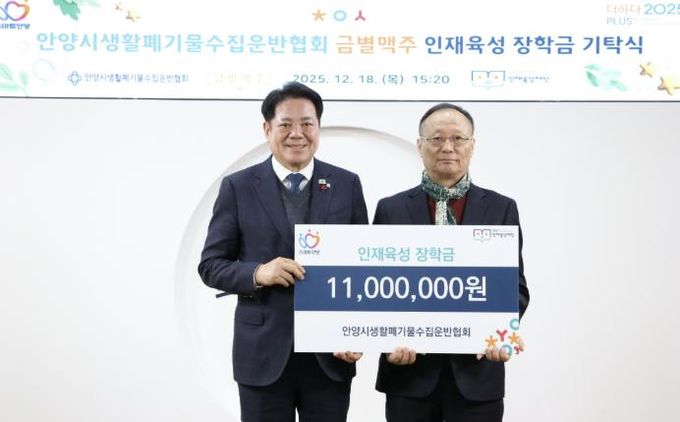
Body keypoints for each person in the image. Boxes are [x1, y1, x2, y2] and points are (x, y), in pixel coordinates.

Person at [198, 81, 368, 422]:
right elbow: (211, 266)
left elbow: (362, 268)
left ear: (318, 127)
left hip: (329, 354)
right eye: (286, 124)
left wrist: (356, 331)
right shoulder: (238, 187)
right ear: (267, 129)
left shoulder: (346, 184)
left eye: (307, 123)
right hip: (262, 354)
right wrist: (258, 273)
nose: (297, 134)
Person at [373, 103, 530, 422]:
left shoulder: (501, 208)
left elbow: (515, 289)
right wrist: (388, 340)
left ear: (472, 145)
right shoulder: (390, 209)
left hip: (477, 375)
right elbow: (375, 288)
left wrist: (500, 334)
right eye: (437, 138)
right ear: (420, 145)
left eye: (458, 138)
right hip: (409, 375)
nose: (447, 147)